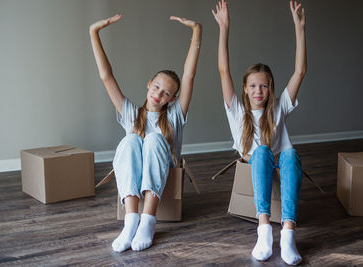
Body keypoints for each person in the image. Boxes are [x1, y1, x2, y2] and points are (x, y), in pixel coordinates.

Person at [89, 13, 202, 252]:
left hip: (164, 174)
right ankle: (132, 220)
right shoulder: (131, 113)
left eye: (166, 93)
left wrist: (196, 32)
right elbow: (106, 77)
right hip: (136, 175)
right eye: (157, 87)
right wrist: (94, 33)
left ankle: (148, 220)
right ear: (149, 83)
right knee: (131, 140)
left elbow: (189, 75)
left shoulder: (174, 116)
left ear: (172, 99)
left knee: (152, 139)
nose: (159, 94)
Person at [212, 0, 306, 265]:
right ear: (244, 88)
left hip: (280, 163)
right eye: (252, 86)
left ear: (270, 89)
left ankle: (288, 233)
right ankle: (264, 230)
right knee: (263, 151)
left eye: (263, 86)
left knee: (290, 156)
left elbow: (300, 71)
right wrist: (224, 28)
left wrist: (299, 29)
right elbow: (223, 69)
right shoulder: (236, 110)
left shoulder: (278, 108)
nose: (258, 92)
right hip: (258, 161)